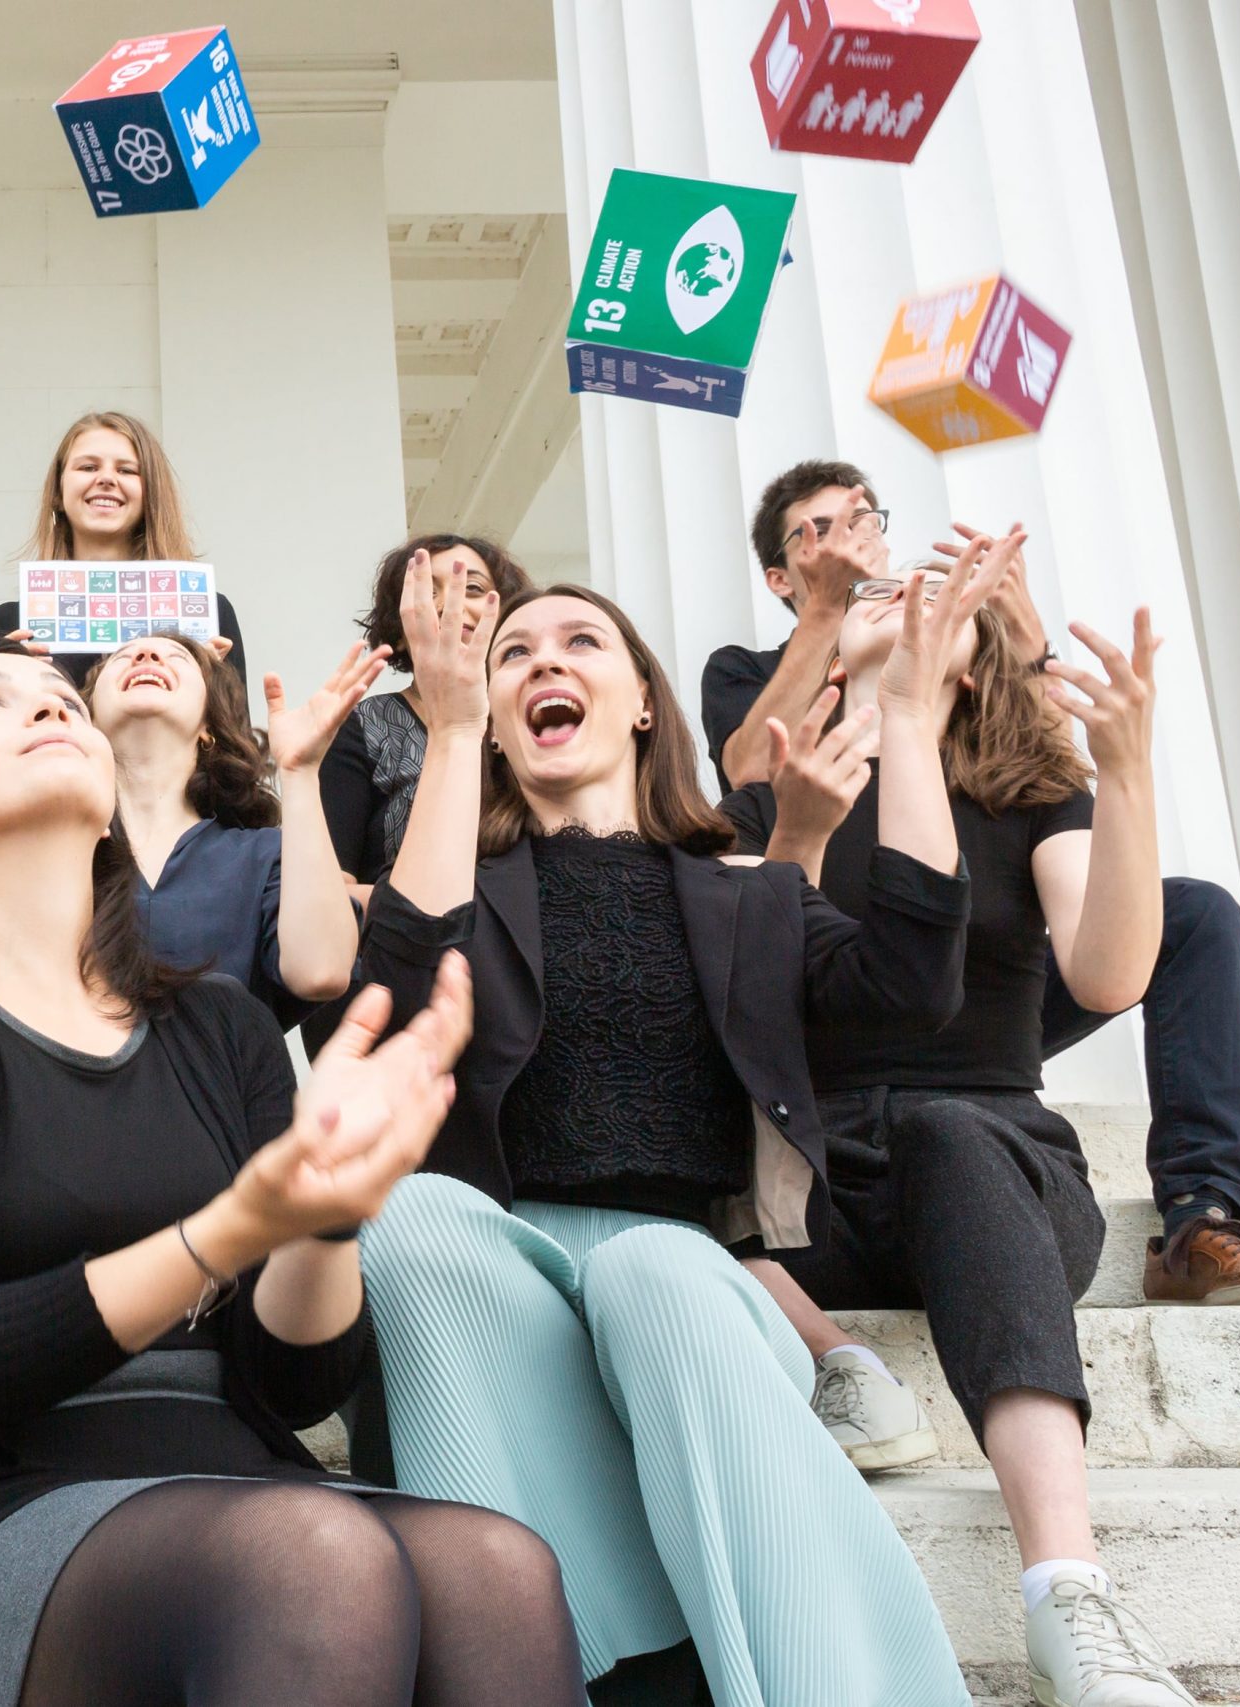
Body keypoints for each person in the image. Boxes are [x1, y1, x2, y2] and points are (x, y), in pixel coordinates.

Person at [0, 638, 584, 1707]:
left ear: (106, 804)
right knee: (310, 1559)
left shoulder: (218, 1024)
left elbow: (295, 1383)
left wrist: (324, 1215)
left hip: (234, 1474)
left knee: (498, 1567)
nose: (47, 710)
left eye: (63, 701)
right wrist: (229, 1229)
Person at [356, 552, 983, 1704]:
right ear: (492, 715)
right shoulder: (461, 875)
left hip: (683, 1267)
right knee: (410, 1218)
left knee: (655, 1268)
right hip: (498, 1264)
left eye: (580, 643)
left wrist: (907, 715)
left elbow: (911, 988)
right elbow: (388, 1004)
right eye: (513, 656)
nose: (545, 661)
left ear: (643, 701)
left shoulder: (746, 892)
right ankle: (528, 1665)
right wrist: (445, 740)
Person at [721, 536, 1211, 1706]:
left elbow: (1105, 974)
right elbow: (744, 995)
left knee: (946, 1130)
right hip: (817, 1184)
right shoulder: (776, 794)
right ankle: (831, 1360)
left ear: (979, 646)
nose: (900, 599)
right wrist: (799, 823)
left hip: (997, 1163)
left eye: (925, 591)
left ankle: (1068, 1594)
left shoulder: (1029, 790)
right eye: (881, 593)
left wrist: (1126, 776)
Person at [700, 460, 1240, 1310]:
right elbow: (748, 775)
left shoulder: (1014, 766)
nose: (853, 543)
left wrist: (1103, 744)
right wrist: (827, 624)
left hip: (984, 1026)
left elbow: (1106, 967)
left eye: (862, 515)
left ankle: (1203, 1212)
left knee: (1197, 913)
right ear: (783, 576)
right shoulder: (760, 685)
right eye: (816, 529)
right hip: (841, 1054)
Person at [85, 631, 379, 1021]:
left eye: (177, 656)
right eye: (123, 656)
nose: (146, 652)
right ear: (86, 719)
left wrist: (301, 773)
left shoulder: (267, 856)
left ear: (209, 725)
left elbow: (322, 972)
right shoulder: (55, 850)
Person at [0, 411, 247, 688]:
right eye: (88, 467)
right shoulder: (7, 627)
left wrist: (209, 686)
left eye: (126, 470)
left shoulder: (205, 616)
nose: (106, 478)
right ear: (58, 492)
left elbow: (236, 751)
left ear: (151, 495)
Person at [320, 534, 535, 896]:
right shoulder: (365, 726)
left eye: (472, 588)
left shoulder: (536, 716)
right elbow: (330, 895)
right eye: (425, 591)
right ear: (399, 630)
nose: (448, 603)